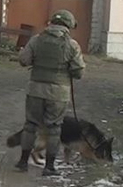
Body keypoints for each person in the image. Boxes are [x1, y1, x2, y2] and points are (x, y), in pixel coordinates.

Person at [15, 10, 86, 175]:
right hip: (58, 94)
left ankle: (23, 162)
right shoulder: (72, 45)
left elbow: (23, 61)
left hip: (35, 90)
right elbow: (79, 72)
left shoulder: (36, 40)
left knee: (30, 125)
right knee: (54, 129)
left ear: (52, 22)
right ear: (69, 25)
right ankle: (49, 167)